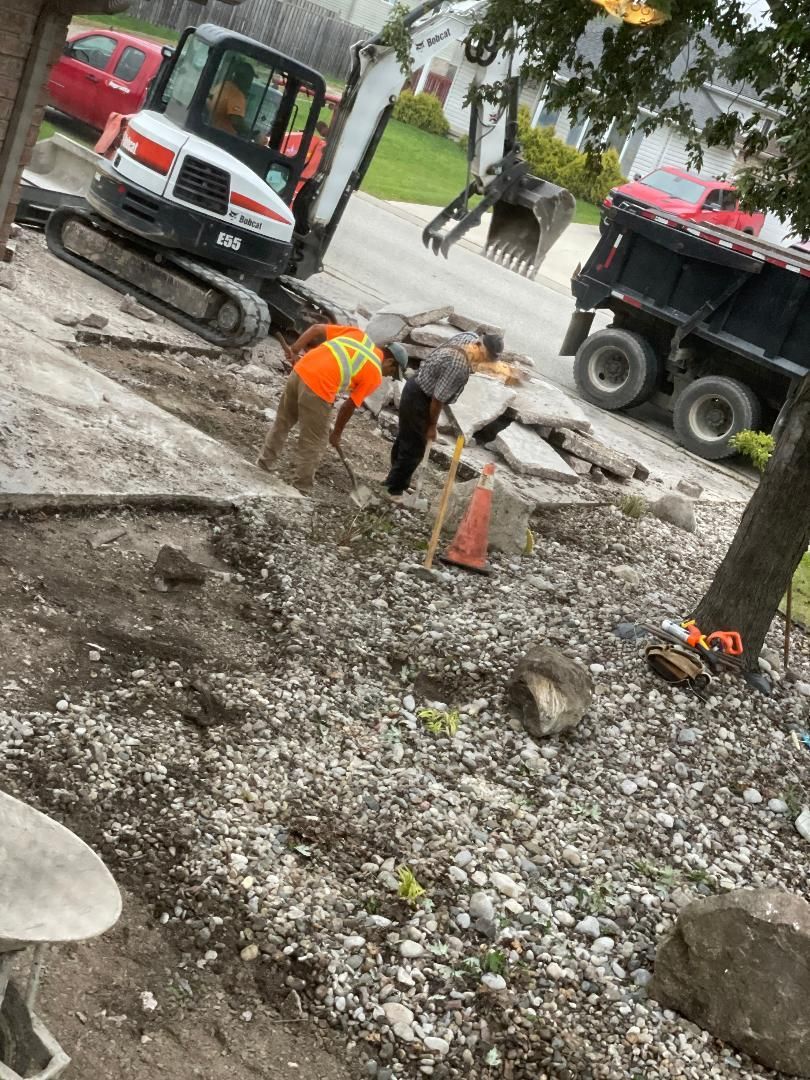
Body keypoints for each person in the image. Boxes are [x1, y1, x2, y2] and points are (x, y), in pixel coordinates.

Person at [258, 324, 408, 493]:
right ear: (389, 361)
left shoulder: (357, 334)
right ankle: (302, 487)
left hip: (299, 371)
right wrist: (336, 433)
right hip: (319, 388)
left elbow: (316, 329)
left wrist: (295, 348)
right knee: (315, 441)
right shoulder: (374, 373)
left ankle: (263, 465)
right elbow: (348, 406)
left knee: (282, 423)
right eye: (392, 372)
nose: (388, 376)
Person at [384, 331, 504, 502]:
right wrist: (432, 427)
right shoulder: (459, 367)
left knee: (406, 438)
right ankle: (393, 490)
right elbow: (437, 400)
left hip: (415, 385)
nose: (483, 362)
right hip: (420, 399)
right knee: (415, 447)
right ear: (480, 348)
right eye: (485, 358)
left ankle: (396, 480)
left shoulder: (469, 336)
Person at [208, 61, 255, 137]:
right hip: (224, 137)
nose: (250, 83)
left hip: (211, 130)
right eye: (249, 79)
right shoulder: (237, 96)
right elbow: (237, 122)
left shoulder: (222, 85)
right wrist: (253, 135)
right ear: (242, 78)